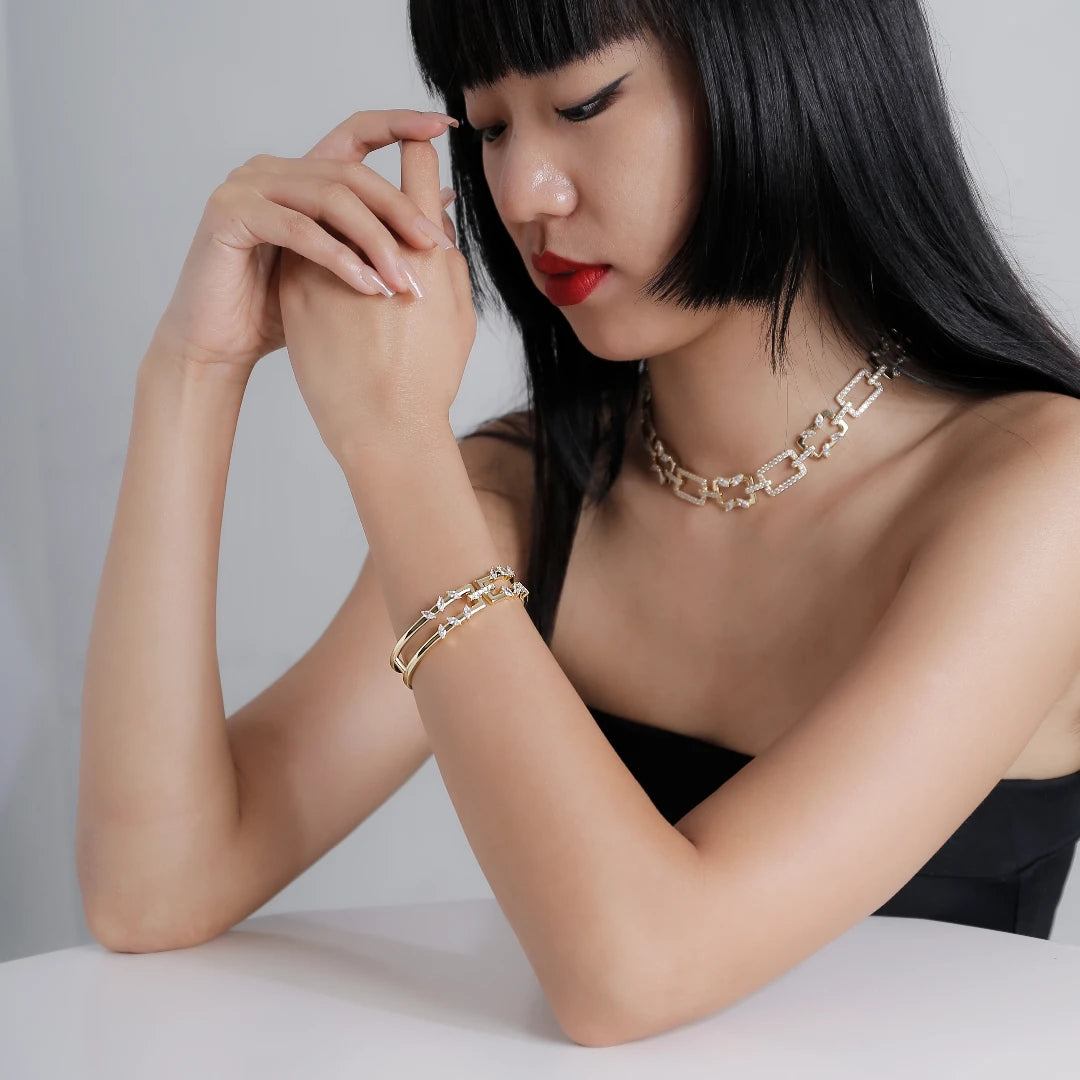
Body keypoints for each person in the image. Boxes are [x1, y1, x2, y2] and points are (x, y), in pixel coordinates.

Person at [79, 0, 1080, 1046]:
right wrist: (194, 369)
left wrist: (395, 443)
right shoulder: (532, 494)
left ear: (789, 74)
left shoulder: (1038, 489)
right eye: (489, 128)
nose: (520, 193)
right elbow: (155, 888)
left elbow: (637, 970)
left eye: (584, 104)